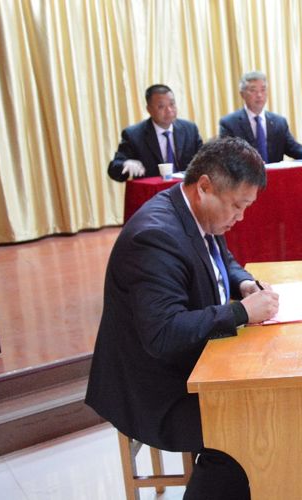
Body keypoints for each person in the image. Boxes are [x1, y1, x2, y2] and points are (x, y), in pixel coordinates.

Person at [87, 137, 279, 499]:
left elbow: (221, 260)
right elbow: (163, 333)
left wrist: (243, 283)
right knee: (249, 425)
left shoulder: (197, 213)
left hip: (195, 364)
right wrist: (240, 312)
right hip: (158, 389)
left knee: (277, 397)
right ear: (204, 187)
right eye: (237, 205)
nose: (240, 217)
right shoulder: (156, 236)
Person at [108, 84, 203, 182]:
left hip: (185, 189)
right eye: (161, 107)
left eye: (172, 104)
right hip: (153, 190)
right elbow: (114, 168)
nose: (169, 110)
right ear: (149, 109)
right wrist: (125, 164)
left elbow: (204, 161)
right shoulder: (133, 135)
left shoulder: (190, 129)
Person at [219, 71, 302, 163]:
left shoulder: (279, 122)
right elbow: (227, 156)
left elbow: (294, 148)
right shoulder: (229, 123)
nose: (259, 95)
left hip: (275, 172)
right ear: (242, 94)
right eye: (253, 90)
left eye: (263, 89)